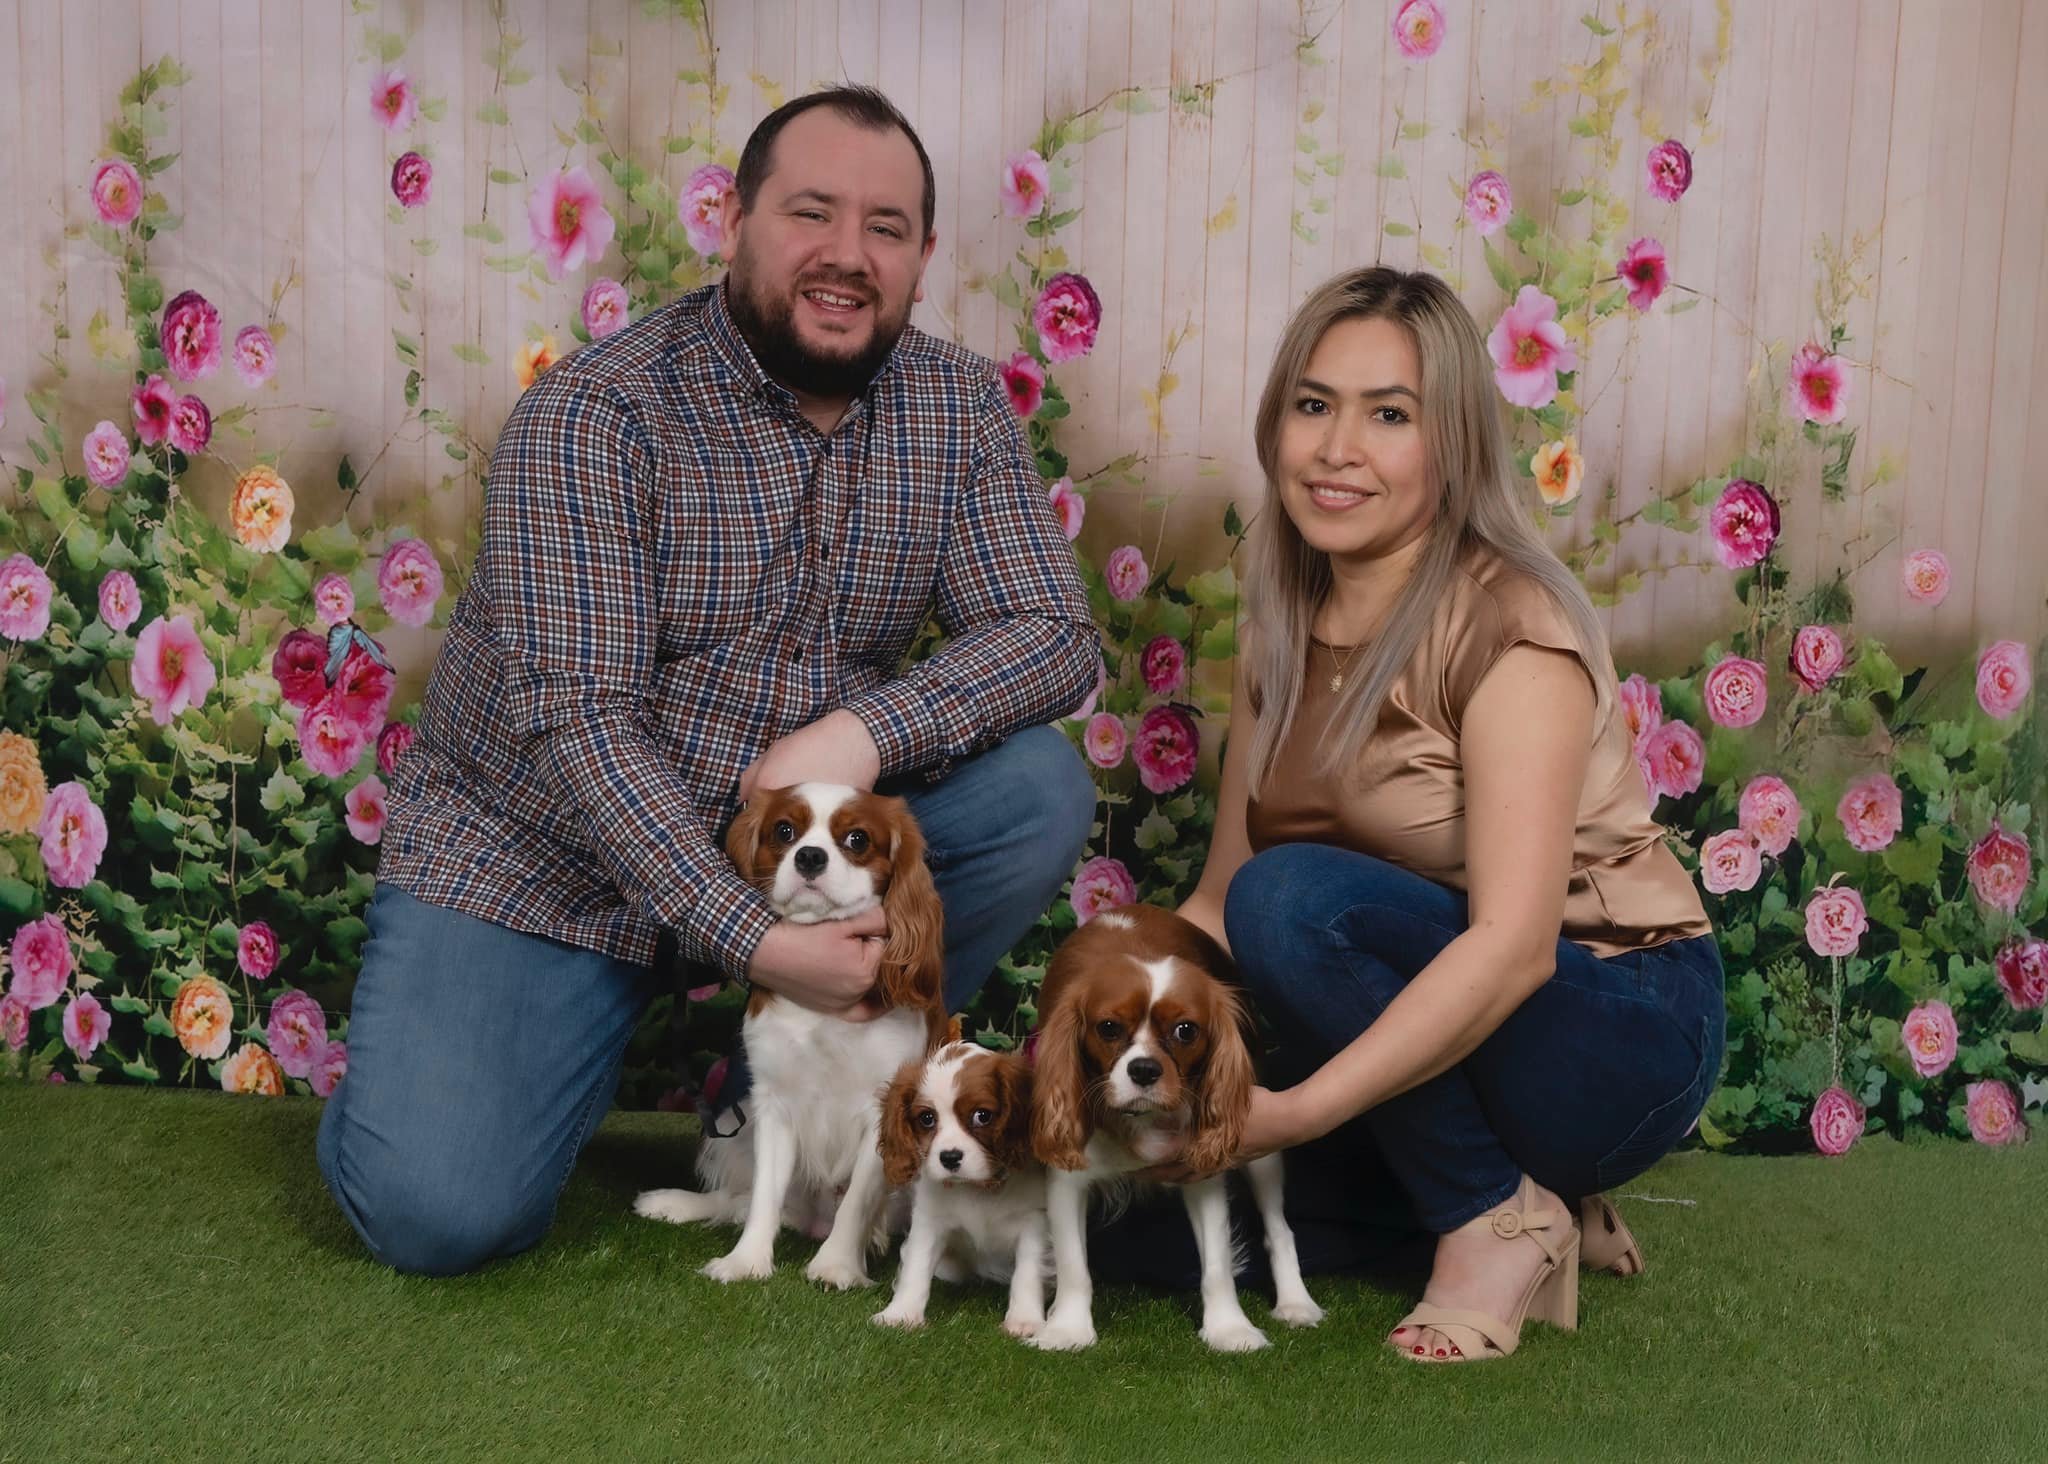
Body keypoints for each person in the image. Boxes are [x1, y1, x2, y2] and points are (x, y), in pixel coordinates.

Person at [317, 86, 1100, 1276]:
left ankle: (771, 1101)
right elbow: (583, 727)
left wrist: (859, 735)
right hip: (546, 860)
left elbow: (1049, 631)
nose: (847, 255)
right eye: (810, 213)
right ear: (732, 221)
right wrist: (757, 942)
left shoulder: (956, 406)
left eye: (885, 228)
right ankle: (461, 1067)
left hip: (795, 853)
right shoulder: (594, 412)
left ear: (924, 255)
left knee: (1036, 789)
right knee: (437, 1212)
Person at [1170, 266, 1724, 1363]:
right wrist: (1079, 1037)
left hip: (1616, 1019)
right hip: (1448, 1021)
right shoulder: (1277, 625)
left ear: (1454, 444)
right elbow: (1216, 903)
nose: (1336, 449)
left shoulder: (1510, 628)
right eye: (1313, 404)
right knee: (1155, 1222)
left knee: (1293, 899)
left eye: (1389, 415)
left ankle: (1489, 1214)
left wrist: (1300, 1112)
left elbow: (1513, 949)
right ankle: (1532, 1192)